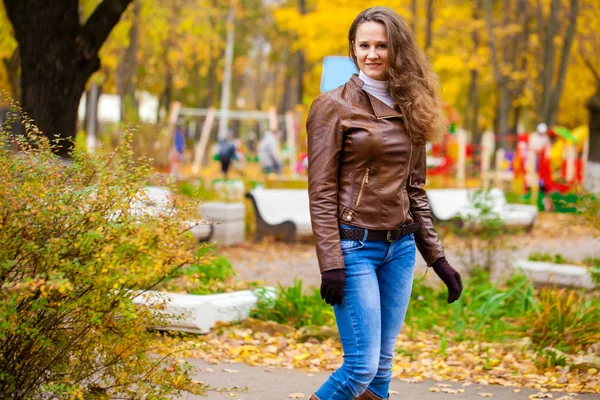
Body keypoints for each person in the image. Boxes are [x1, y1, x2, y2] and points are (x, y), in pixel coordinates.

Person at [306, 7, 462, 400]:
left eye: (382, 45)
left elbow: (416, 190)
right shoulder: (333, 106)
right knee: (360, 366)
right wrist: (331, 264)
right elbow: (321, 192)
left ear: (398, 50)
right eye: (364, 45)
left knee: (382, 366)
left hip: (401, 248)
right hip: (354, 246)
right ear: (353, 50)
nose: (372, 54)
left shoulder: (413, 105)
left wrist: (437, 258)